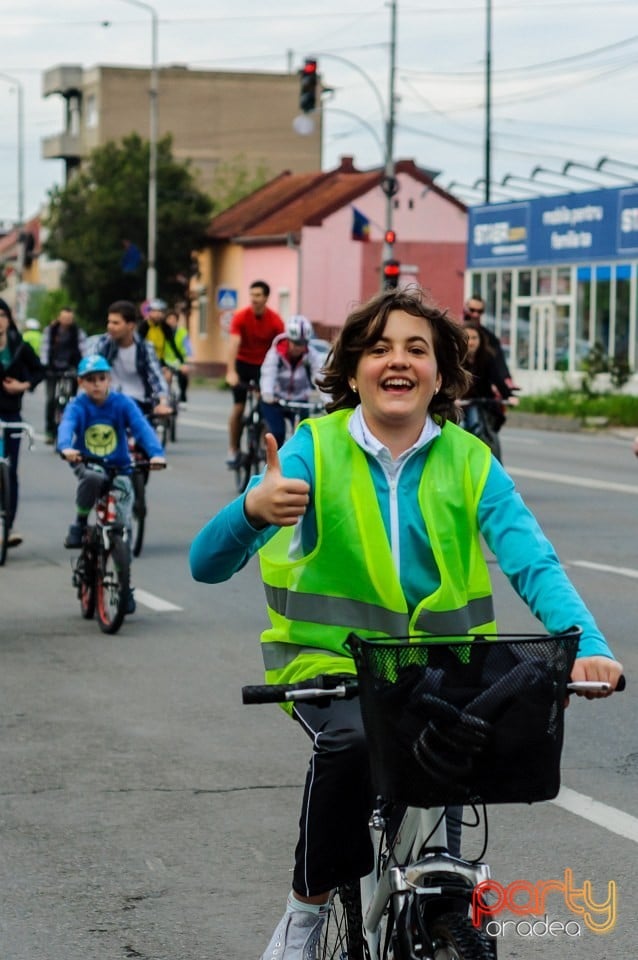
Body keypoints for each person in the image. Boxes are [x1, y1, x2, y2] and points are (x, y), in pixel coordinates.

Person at [190, 286, 623, 960]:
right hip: (330, 669)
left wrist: (589, 646)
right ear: (353, 368)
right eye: (379, 348)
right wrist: (253, 508)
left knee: (453, 788)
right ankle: (302, 914)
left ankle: (439, 910)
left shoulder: (470, 460)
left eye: (416, 349)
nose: (398, 361)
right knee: (355, 746)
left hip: (446, 678)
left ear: (442, 373)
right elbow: (203, 566)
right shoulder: (314, 448)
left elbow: (532, 561)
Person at [57, 355, 166, 612]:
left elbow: (141, 427)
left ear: (109, 379)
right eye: (91, 380)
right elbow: (67, 426)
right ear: (81, 383)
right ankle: (80, 522)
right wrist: (66, 448)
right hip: (87, 461)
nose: (97, 385)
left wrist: (156, 453)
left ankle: (124, 586)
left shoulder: (121, 403)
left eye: (102, 379)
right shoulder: (78, 405)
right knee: (93, 478)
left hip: (118, 465)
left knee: (122, 528)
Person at [0, 297, 45, 547]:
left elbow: (39, 370)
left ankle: (7, 526)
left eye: (2, 315)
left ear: (9, 319)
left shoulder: (20, 345)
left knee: (10, 471)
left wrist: (24, 385)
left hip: (11, 416)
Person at [225, 280, 284, 467]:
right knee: (239, 408)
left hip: (263, 366)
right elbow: (234, 343)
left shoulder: (275, 321)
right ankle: (233, 449)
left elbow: (280, 350)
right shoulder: (241, 317)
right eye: (252, 295)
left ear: (266, 298)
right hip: (242, 363)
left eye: (258, 295)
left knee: (265, 404)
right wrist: (231, 372)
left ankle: (260, 438)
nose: (254, 299)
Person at [94, 300, 172, 418]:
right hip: (109, 402)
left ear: (130, 326)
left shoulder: (144, 348)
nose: (110, 326)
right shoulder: (104, 344)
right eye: (109, 322)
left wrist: (163, 403)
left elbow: (156, 376)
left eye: (116, 323)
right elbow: (90, 372)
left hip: (138, 404)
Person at [259, 315, 326, 448]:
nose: (299, 347)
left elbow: (321, 378)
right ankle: (272, 465)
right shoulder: (275, 354)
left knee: (304, 436)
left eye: (303, 343)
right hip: (275, 400)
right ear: (288, 339)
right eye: (295, 343)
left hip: (299, 399)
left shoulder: (311, 355)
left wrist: (328, 400)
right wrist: (267, 394)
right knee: (277, 433)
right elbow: (268, 373)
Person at [40, 306, 88, 443]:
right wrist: (45, 366)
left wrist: (83, 368)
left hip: (71, 368)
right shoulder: (51, 331)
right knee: (50, 399)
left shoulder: (78, 332)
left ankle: (69, 427)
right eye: (64, 318)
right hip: (53, 369)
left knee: (72, 400)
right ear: (59, 317)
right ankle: (50, 430)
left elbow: (84, 351)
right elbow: (45, 348)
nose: (66, 321)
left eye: (69, 318)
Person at [460, 322, 513, 444]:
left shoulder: (487, 357)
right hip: (460, 402)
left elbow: (498, 379)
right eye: (467, 338)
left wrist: (509, 396)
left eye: (474, 338)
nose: (471, 342)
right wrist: (452, 399)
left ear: (480, 339)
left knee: (478, 426)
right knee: (459, 427)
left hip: (481, 401)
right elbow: (449, 381)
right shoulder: (455, 357)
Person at [162, 308, 192, 405]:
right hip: (165, 360)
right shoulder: (161, 332)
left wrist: (185, 362)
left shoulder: (182, 332)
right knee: (167, 377)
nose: (171, 321)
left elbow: (187, 347)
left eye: (173, 319)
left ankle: (183, 396)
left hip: (178, 361)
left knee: (184, 374)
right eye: (169, 319)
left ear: (177, 320)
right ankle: (165, 396)